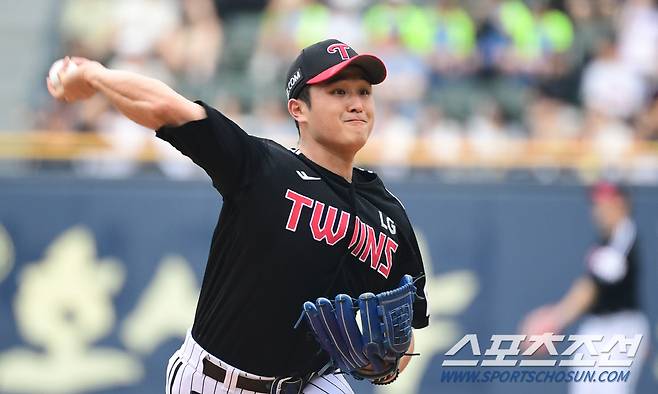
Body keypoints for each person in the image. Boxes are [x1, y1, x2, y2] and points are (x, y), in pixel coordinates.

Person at [47, 38, 429, 394]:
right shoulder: (264, 168)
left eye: (364, 92)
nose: (357, 103)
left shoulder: (386, 213)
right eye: (338, 91)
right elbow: (168, 109)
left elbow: (404, 330)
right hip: (215, 380)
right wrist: (95, 75)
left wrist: (387, 364)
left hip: (312, 382)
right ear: (299, 109)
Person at [520, 181, 650, 394]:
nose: (599, 209)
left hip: (620, 330)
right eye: (596, 203)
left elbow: (590, 289)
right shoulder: (607, 239)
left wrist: (555, 319)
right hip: (599, 328)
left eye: (607, 202)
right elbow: (587, 284)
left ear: (622, 204)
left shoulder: (624, 237)